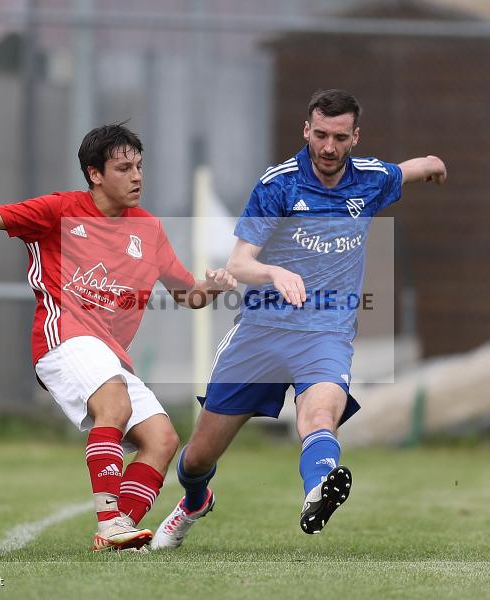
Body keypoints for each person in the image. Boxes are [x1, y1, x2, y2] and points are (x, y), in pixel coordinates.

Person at [0, 123, 236, 551]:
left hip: (108, 353)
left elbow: (186, 293)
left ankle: (120, 532)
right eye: (123, 168)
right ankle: (110, 520)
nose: (137, 177)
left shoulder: (148, 228)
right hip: (63, 337)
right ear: (95, 174)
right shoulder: (59, 210)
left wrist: (216, 286)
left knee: (162, 439)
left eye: (139, 167)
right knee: (114, 403)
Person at [151, 89, 446, 548]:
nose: (329, 147)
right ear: (306, 130)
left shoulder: (369, 180)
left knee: (320, 415)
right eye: (321, 134)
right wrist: (273, 270)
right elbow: (239, 265)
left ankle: (317, 491)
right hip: (261, 334)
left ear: (355, 138)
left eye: (340, 137)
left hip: (325, 333)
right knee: (197, 458)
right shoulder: (279, 185)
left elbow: (407, 170)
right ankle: (193, 502)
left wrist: (433, 165)